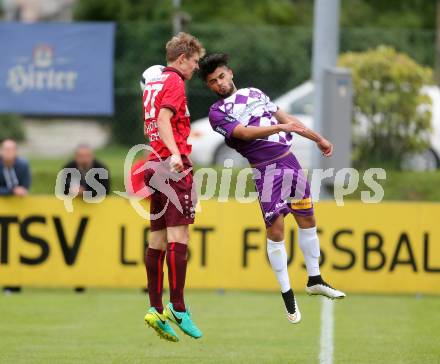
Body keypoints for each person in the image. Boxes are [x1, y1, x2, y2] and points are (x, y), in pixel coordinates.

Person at [198, 53, 345, 324]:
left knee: (308, 218)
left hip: (290, 161)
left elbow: (287, 118)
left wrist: (318, 139)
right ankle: (287, 294)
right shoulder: (217, 113)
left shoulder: (254, 92)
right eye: (212, 81)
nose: (219, 83)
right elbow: (243, 133)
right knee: (276, 230)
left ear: (229, 73)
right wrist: (281, 126)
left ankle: (315, 279)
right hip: (265, 170)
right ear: (209, 86)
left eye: (221, 76)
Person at [142, 32, 205, 342]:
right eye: (194, 62)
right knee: (179, 237)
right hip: (171, 166)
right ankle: (178, 307)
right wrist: (176, 155)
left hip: (153, 165)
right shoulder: (175, 82)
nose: (195, 68)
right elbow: (164, 119)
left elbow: (150, 122)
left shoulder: (152, 83)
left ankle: (155, 307)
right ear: (182, 59)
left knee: (157, 239)